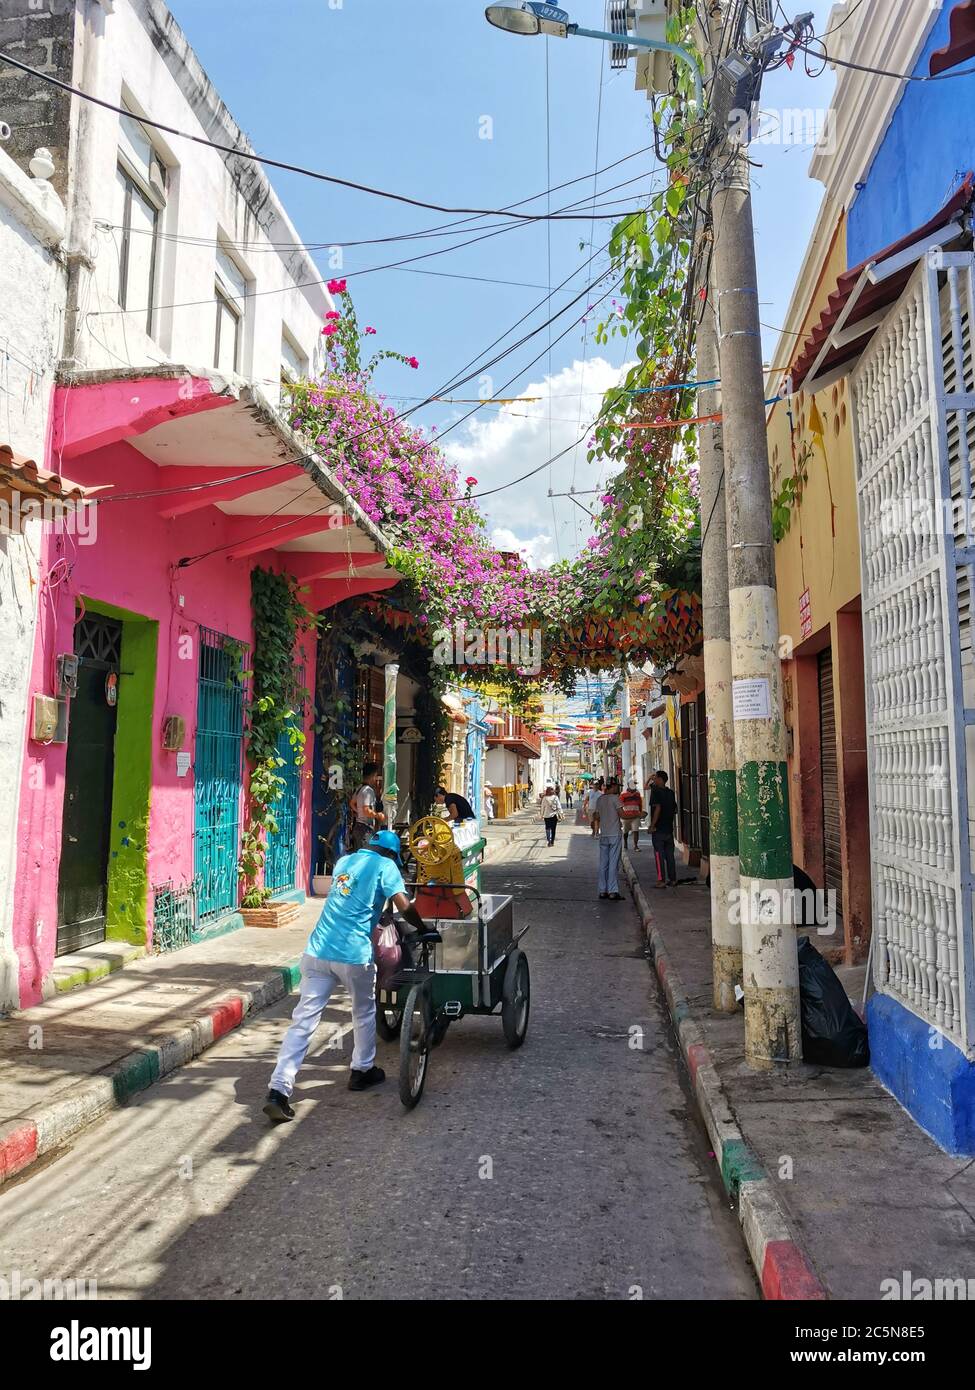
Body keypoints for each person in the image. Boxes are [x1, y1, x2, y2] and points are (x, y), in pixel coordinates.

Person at [263, 829, 426, 1123]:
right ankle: (362, 1070)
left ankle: (278, 1090)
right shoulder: (386, 866)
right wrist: (422, 927)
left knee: (303, 1022)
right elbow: (403, 905)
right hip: (353, 955)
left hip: (317, 952)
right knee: (363, 1011)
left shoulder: (345, 861)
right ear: (391, 854)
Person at [591, 777, 624, 900]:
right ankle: (612, 890)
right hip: (614, 834)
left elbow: (597, 816)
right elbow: (623, 815)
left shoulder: (600, 799)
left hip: (604, 834)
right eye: (617, 786)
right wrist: (638, 814)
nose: (618, 788)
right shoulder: (615, 799)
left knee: (603, 863)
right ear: (614, 786)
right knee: (613, 863)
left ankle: (602, 890)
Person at [647, 770, 679, 889]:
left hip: (658, 829)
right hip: (669, 829)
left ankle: (661, 880)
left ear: (660, 779)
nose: (654, 780)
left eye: (655, 778)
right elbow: (675, 809)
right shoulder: (670, 793)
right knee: (670, 856)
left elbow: (658, 809)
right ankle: (673, 879)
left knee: (658, 855)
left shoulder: (655, 792)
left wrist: (652, 825)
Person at [350, 762, 385, 851]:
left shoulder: (360, 787)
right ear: (373, 775)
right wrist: (378, 815)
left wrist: (359, 812)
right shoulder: (368, 790)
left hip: (357, 827)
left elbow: (352, 803)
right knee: (365, 856)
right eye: (376, 776)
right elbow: (366, 810)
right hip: (365, 830)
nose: (376, 779)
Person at [619, 778, 644, 852]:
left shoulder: (638, 793)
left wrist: (640, 812)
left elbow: (640, 804)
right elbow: (620, 805)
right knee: (625, 831)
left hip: (636, 815)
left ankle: (636, 845)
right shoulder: (623, 794)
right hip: (626, 816)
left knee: (636, 831)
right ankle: (625, 843)